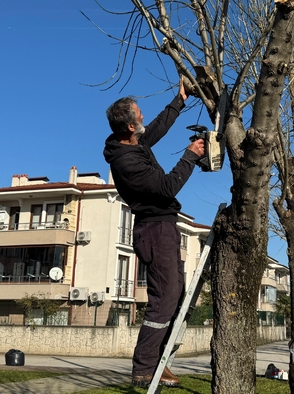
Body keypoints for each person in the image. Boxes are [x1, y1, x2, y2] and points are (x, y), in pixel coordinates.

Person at [103, 80, 204, 388]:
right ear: (129, 126)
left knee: (175, 295)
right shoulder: (127, 161)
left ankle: (158, 361)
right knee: (165, 298)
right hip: (154, 229)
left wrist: (180, 99)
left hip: (163, 227)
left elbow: (157, 127)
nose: (143, 116)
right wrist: (190, 155)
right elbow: (166, 188)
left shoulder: (133, 143)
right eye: (139, 114)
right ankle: (145, 367)